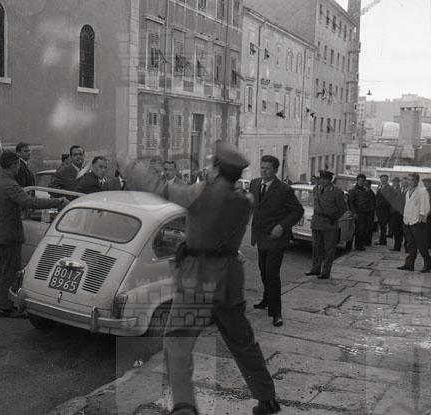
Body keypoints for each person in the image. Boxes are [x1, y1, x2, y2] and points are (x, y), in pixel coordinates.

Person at [119, 140, 281, 415]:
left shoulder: (203, 193)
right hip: (229, 282)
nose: (207, 168)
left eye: (210, 164)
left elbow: (160, 188)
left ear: (217, 169)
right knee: (242, 342)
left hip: (198, 279)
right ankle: (267, 398)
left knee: (177, 340)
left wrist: (130, 167)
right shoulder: (244, 201)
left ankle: (184, 406)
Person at [0, 151, 67, 317]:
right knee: (10, 271)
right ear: (12, 165)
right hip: (8, 234)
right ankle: (5, 306)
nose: (19, 168)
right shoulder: (10, 185)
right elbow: (30, 202)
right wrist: (57, 201)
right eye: (17, 164)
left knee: (2, 270)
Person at [250, 155, 304, 328]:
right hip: (261, 236)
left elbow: (298, 211)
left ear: (275, 170)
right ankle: (266, 300)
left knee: (272, 274)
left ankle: (276, 313)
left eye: (267, 168)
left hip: (276, 238)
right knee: (263, 271)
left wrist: (282, 226)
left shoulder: (284, 189)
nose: (263, 171)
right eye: (262, 167)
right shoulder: (254, 184)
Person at [305, 170, 347, 279]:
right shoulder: (316, 189)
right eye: (321, 179)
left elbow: (343, 208)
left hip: (329, 223)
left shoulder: (337, 192)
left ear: (330, 180)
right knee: (316, 247)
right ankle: (315, 269)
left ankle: (325, 271)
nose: (323, 181)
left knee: (329, 249)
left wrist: (334, 218)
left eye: (326, 179)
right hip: (317, 221)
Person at [397, 173, 431, 273]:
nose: (410, 182)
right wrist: (405, 218)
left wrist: (421, 217)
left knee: (421, 244)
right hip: (407, 221)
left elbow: (426, 206)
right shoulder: (407, 192)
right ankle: (409, 264)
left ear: (417, 181)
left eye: (412, 180)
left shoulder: (422, 192)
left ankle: (428, 265)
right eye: (408, 179)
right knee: (410, 244)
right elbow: (407, 206)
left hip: (417, 222)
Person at [348, 174, 374, 251]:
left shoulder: (365, 190)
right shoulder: (353, 190)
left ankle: (360, 245)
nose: (361, 182)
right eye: (360, 180)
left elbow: (369, 201)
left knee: (363, 229)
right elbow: (351, 203)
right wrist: (354, 213)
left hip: (364, 213)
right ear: (357, 181)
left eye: (363, 181)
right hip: (357, 212)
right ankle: (357, 245)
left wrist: (368, 191)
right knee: (359, 229)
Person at [387, 177, 405, 252]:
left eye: (396, 182)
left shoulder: (402, 190)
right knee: (396, 230)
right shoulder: (395, 190)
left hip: (401, 213)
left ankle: (404, 247)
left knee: (402, 231)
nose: (395, 183)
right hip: (394, 212)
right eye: (394, 182)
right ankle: (397, 247)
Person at [375, 174, 392, 245]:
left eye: (384, 179)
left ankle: (383, 241)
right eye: (382, 179)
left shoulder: (389, 188)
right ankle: (381, 239)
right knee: (381, 225)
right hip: (379, 209)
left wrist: (379, 203)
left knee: (383, 226)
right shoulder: (380, 187)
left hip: (384, 210)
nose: (383, 180)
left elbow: (388, 200)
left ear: (387, 180)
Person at [363, 180, 376, 247]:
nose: (365, 185)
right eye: (364, 184)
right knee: (364, 228)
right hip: (364, 212)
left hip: (369, 213)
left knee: (368, 228)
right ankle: (364, 241)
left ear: (369, 185)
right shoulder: (363, 192)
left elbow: (372, 204)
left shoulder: (371, 193)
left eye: (366, 184)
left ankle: (367, 242)